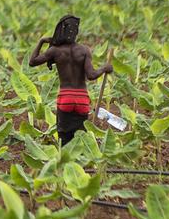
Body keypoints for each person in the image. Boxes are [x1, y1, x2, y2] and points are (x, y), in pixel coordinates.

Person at [28, 15, 113, 146]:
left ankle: (65, 164)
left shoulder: (55, 51)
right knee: (81, 138)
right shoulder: (84, 50)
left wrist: (41, 41)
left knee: (64, 136)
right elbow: (91, 75)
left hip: (65, 98)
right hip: (82, 99)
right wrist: (104, 68)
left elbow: (32, 62)